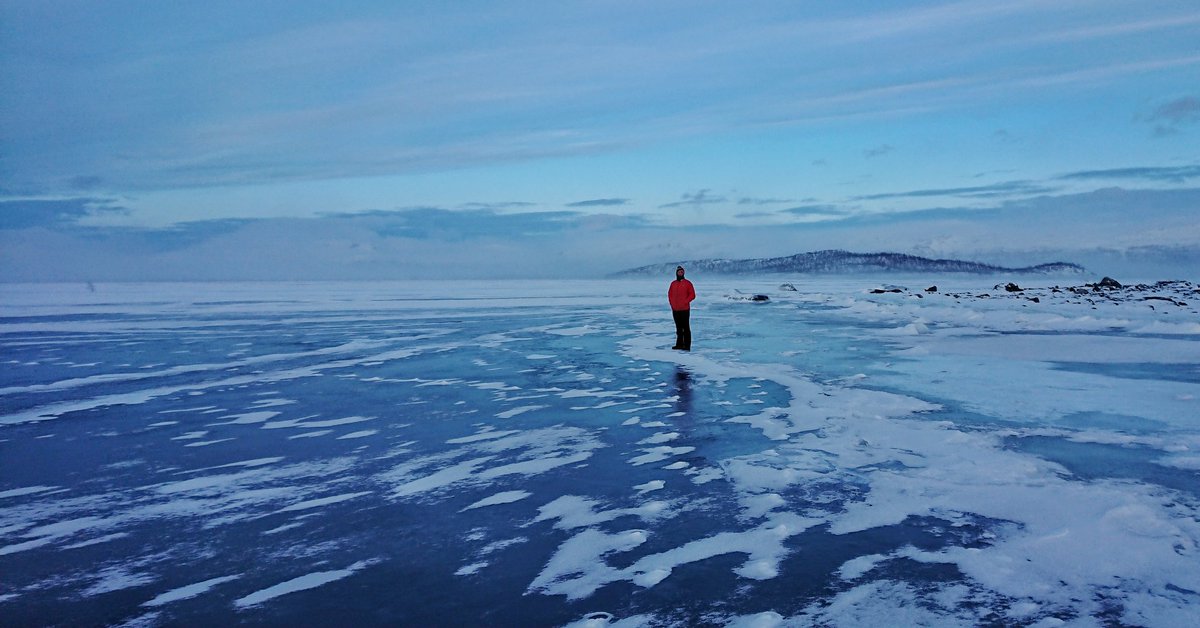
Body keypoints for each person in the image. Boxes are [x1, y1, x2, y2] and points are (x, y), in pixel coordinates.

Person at [668, 265, 695, 350]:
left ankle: (687, 346)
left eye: (682, 272)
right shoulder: (673, 283)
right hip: (675, 309)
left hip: (684, 309)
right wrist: (672, 304)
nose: (681, 273)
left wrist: (685, 302)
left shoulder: (687, 283)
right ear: (676, 273)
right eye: (679, 272)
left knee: (686, 327)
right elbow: (670, 294)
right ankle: (679, 344)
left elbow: (692, 295)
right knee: (678, 328)